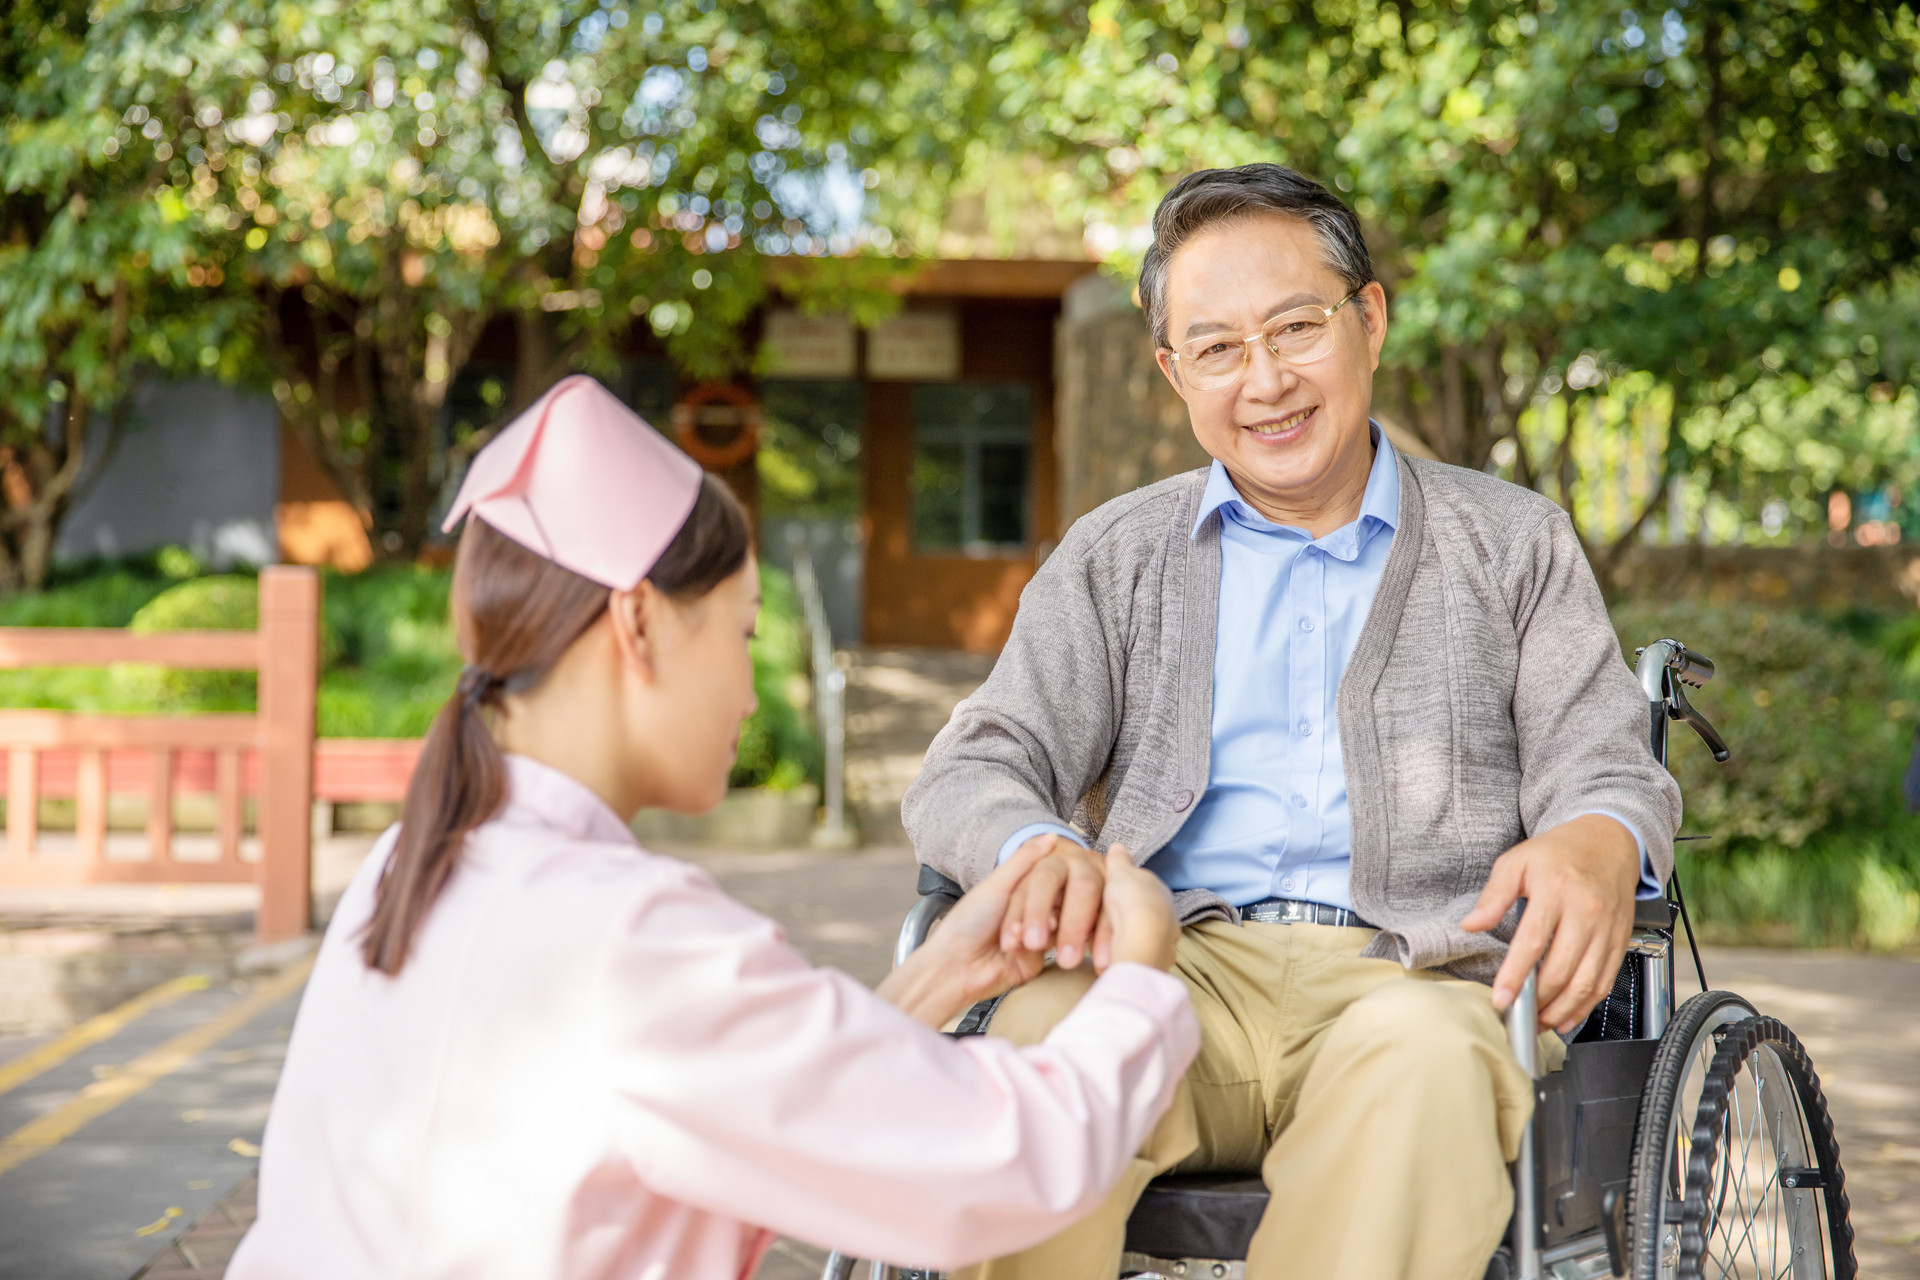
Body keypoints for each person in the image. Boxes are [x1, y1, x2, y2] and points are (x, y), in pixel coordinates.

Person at [227, 375, 1199, 1280]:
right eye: (740, 630)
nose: (746, 689)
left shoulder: (420, 857)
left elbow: (747, 1105)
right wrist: (1140, 972)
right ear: (638, 623)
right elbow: (999, 1165)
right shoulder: (627, 934)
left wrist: (943, 971)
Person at [903, 164, 1683, 1280]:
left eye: (1295, 328)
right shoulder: (1117, 555)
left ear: (1368, 318)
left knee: (1424, 1063)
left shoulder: (1511, 543)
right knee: (1039, 1046)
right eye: (1218, 347)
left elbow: (1606, 765)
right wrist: (1041, 852)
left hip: (1413, 977)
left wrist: (1600, 832)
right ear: (1177, 371)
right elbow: (979, 760)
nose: (1264, 379)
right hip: (1169, 968)